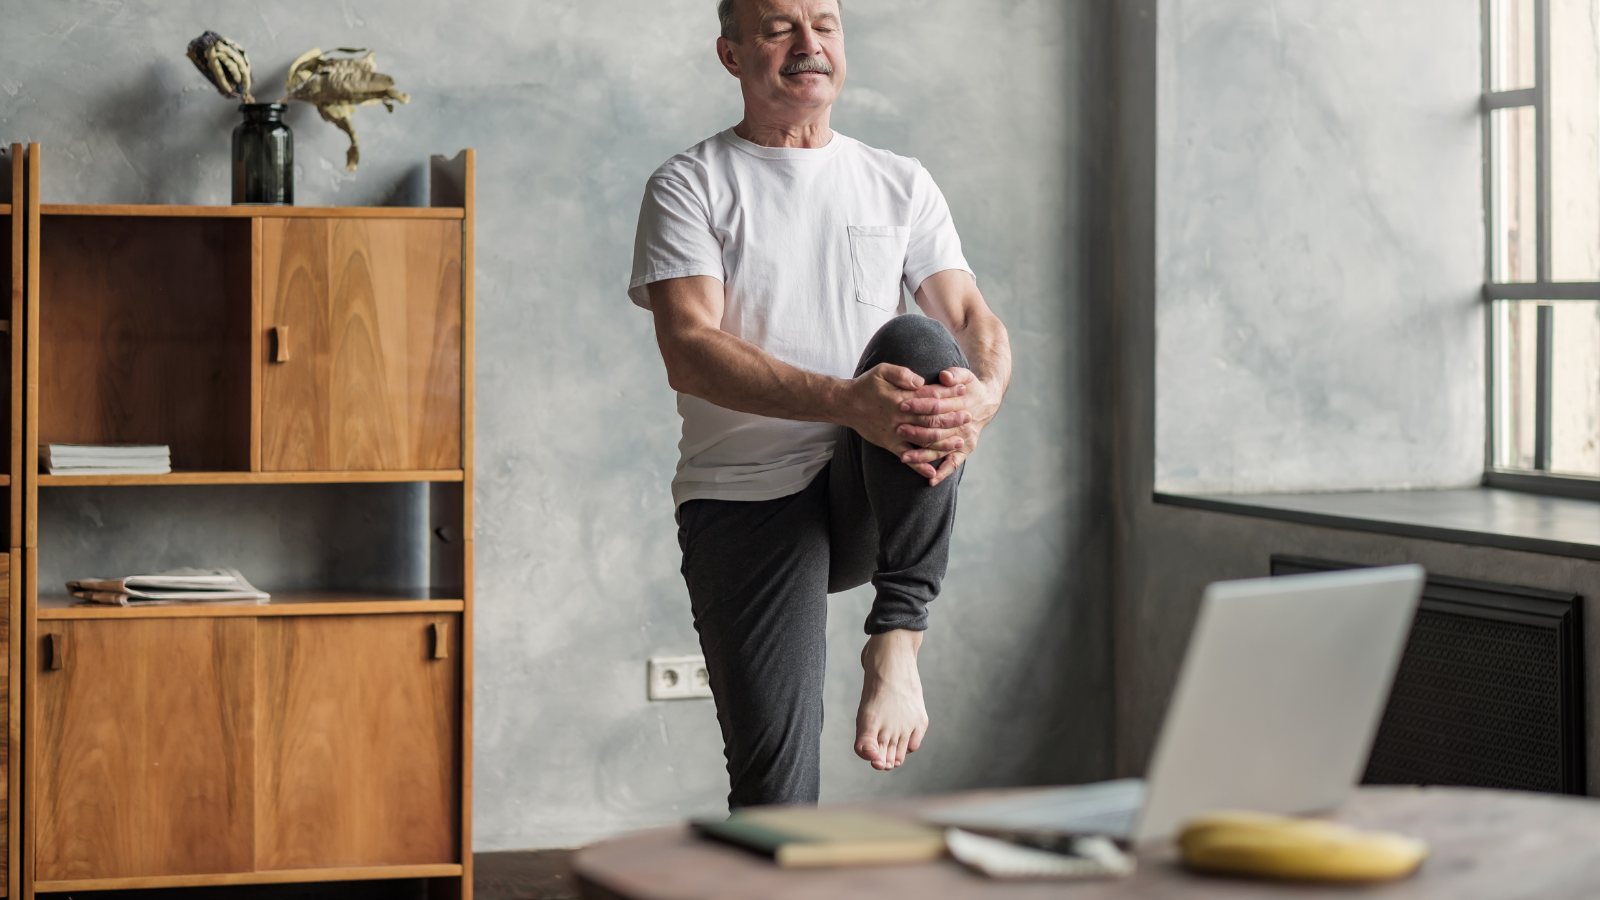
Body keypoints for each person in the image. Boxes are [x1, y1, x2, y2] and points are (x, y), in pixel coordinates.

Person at [628, 0, 1011, 808]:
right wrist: (848, 402)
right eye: (780, 29)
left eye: (826, 25)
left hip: (869, 489)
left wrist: (982, 401)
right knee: (774, 792)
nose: (810, 46)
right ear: (733, 55)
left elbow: (972, 322)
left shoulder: (898, 180)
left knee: (923, 350)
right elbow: (689, 350)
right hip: (743, 499)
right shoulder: (690, 183)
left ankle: (897, 642)